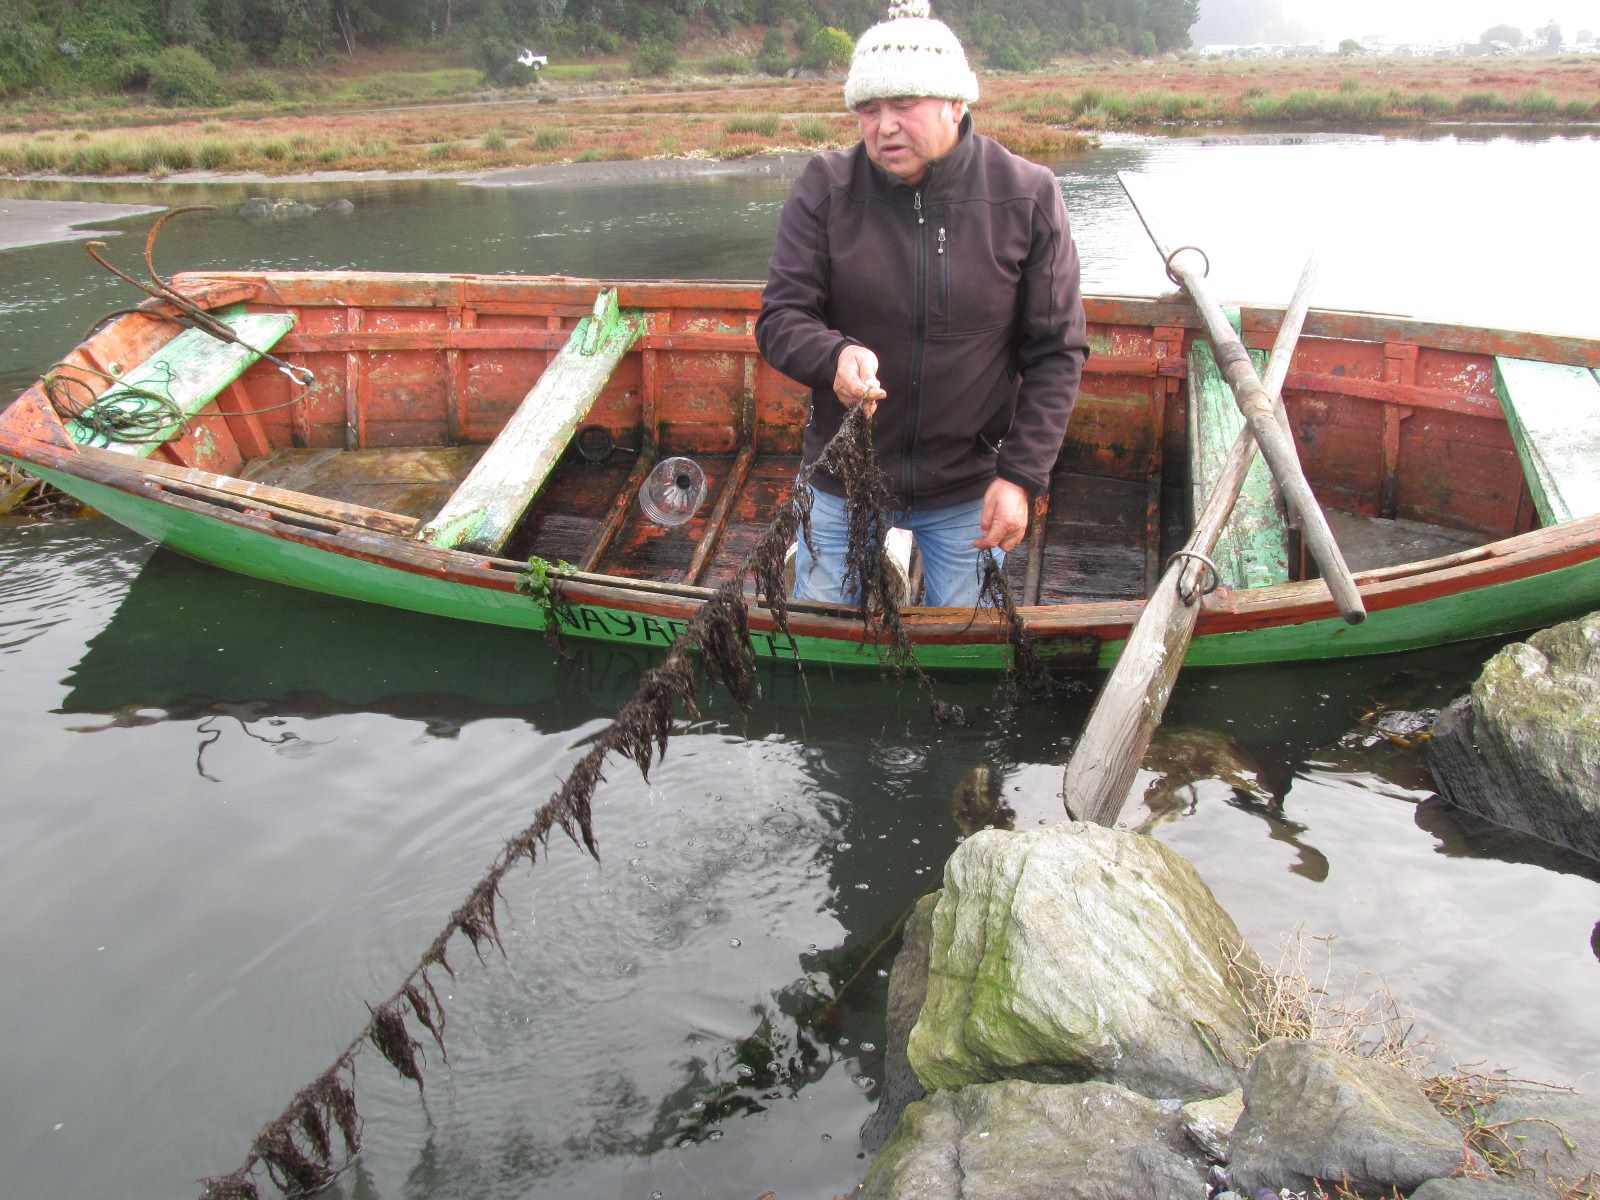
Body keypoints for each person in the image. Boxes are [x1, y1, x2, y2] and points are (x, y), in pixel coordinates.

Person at [755, 0, 1090, 609]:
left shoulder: (1027, 195)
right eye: (869, 109)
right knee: (819, 636)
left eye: (904, 104)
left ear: (956, 103)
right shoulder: (825, 188)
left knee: (967, 642)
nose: (884, 126)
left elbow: (1056, 352)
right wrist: (835, 355)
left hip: (969, 486)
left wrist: (1019, 477)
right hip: (842, 479)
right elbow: (781, 318)